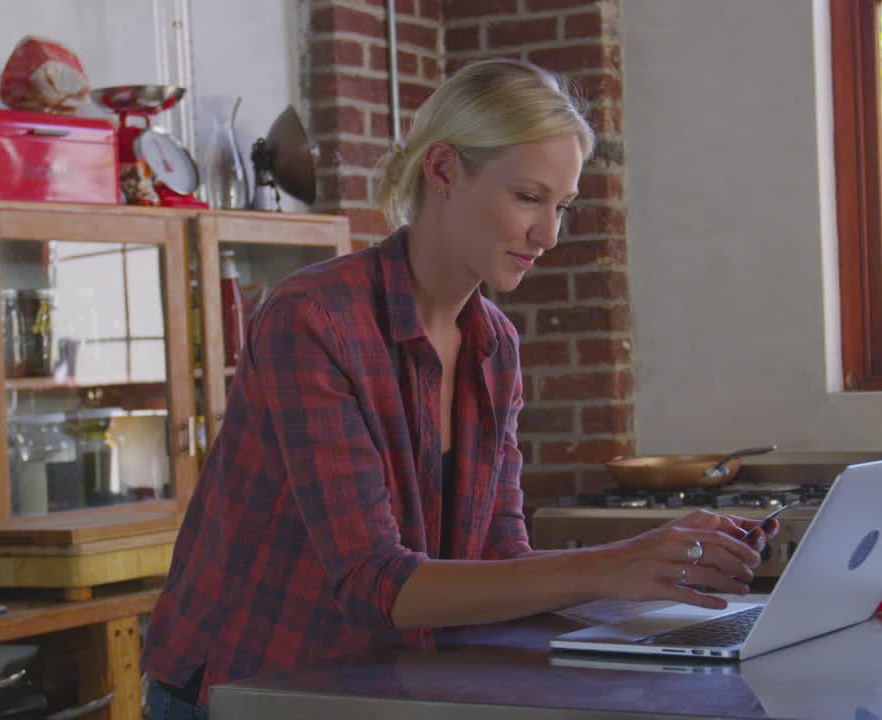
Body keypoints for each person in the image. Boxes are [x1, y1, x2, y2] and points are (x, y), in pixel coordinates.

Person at [142, 58, 775, 718]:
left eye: (561, 206)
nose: (549, 234)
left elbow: (502, 557)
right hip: (246, 687)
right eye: (528, 198)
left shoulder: (495, 346)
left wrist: (656, 572)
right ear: (443, 170)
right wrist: (610, 565)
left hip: (374, 686)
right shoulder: (313, 320)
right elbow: (375, 583)